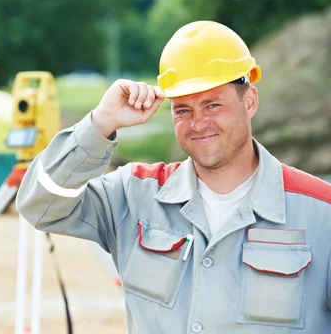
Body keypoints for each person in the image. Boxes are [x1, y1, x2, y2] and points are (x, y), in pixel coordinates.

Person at [16, 20, 331, 333]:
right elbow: (40, 204)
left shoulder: (321, 212)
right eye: (183, 110)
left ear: (249, 101)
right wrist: (101, 123)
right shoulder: (134, 195)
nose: (198, 123)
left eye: (213, 105)